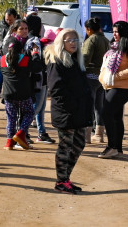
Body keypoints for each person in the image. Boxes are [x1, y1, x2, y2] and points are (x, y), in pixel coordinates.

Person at [45, 29, 93, 194]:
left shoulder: (75, 60)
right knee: (65, 146)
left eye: (75, 39)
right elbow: (56, 88)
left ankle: (66, 178)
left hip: (79, 112)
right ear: (61, 42)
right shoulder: (55, 61)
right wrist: (72, 105)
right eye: (69, 40)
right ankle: (61, 181)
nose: (73, 43)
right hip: (66, 112)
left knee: (79, 144)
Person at [98, 20, 128, 159]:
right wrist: (103, 77)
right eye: (114, 31)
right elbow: (106, 65)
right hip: (109, 86)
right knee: (116, 117)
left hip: (123, 87)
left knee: (106, 113)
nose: (114, 34)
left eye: (117, 31)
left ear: (124, 32)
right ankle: (118, 149)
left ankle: (112, 147)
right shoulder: (113, 46)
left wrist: (116, 76)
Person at [0, 23, 42, 150]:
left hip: (8, 94)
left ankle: (9, 142)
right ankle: (21, 133)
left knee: (11, 118)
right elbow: (37, 67)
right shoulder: (24, 59)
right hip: (23, 94)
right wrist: (35, 54)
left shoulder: (2, 60)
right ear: (22, 49)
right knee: (29, 113)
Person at [26, 7, 54, 144]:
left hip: (40, 78)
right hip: (37, 79)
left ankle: (41, 132)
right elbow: (36, 61)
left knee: (41, 108)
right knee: (36, 107)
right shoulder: (34, 41)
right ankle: (22, 133)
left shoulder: (34, 39)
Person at [82, 17, 110, 143]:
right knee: (99, 106)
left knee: (88, 106)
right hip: (101, 77)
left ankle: (86, 136)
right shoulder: (105, 39)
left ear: (88, 29)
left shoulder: (91, 40)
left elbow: (86, 57)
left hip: (90, 76)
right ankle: (99, 134)